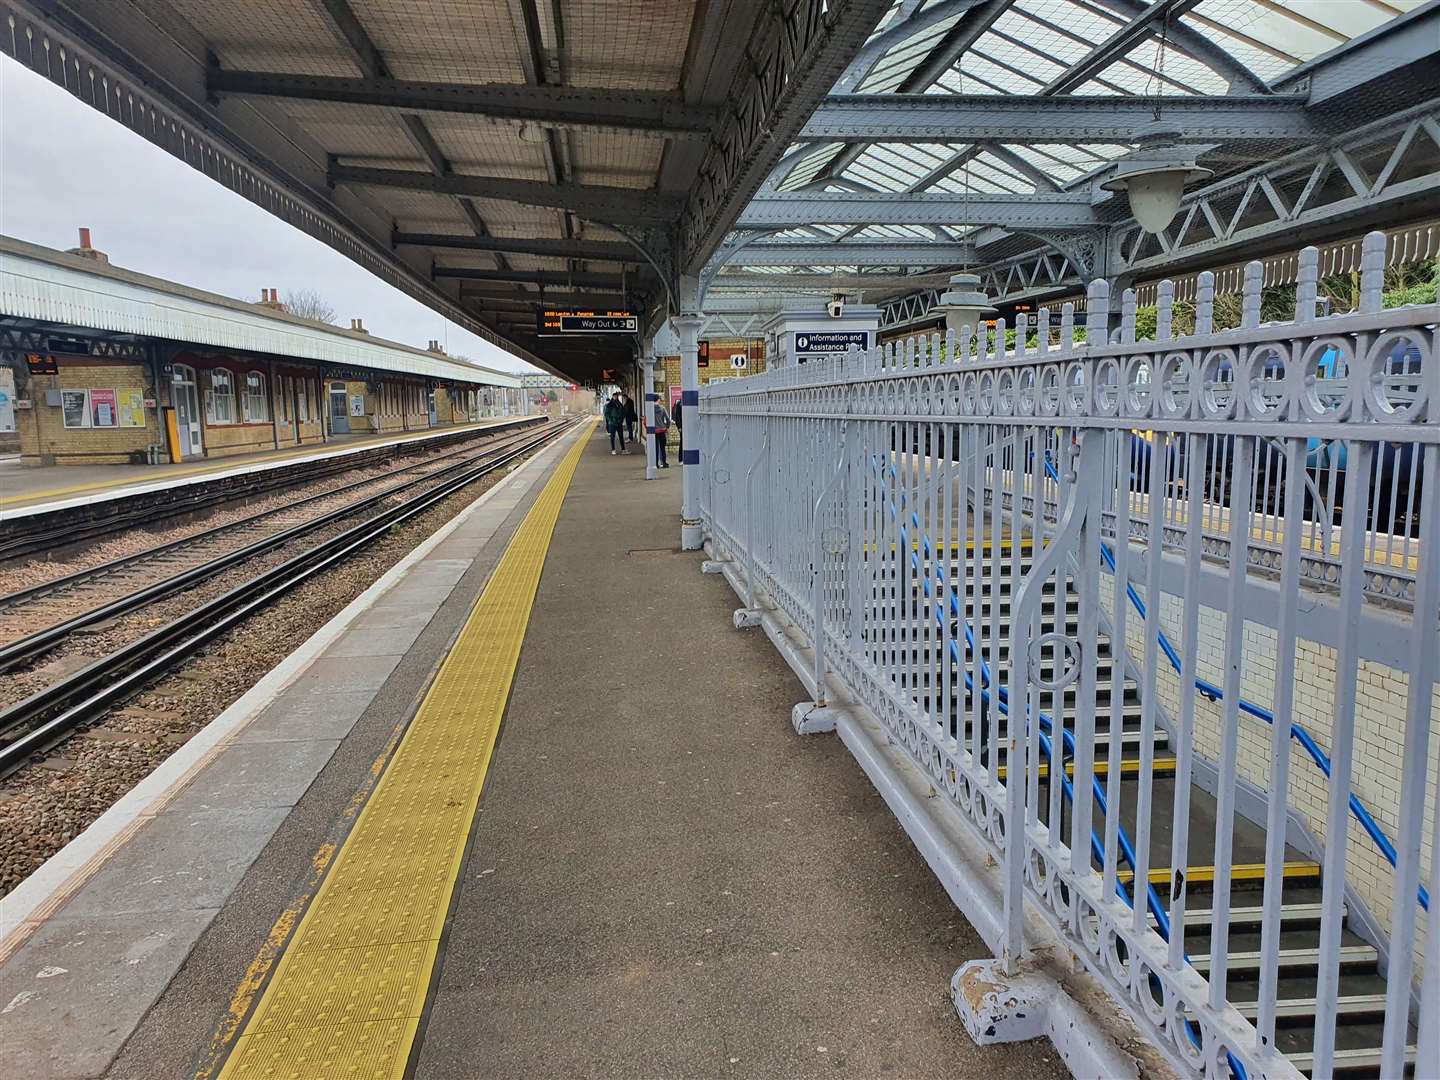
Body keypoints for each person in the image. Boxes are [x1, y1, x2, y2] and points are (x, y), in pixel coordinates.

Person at [652, 401, 671, 468]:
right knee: (662, 448)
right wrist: (667, 427)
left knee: (655, 448)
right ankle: (664, 463)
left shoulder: (650, 409)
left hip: (653, 431)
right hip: (662, 430)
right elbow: (668, 419)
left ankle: (656, 464)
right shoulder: (662, 408)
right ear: (658, 400)